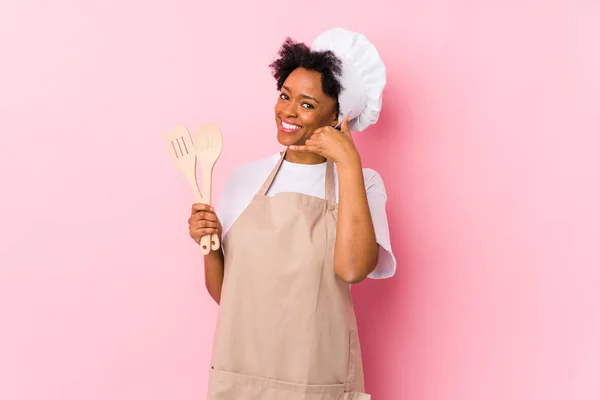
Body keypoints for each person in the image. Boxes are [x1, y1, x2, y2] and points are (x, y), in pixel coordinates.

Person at [188, 28, 396, 400]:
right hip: (243, 377)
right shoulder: (243, 178)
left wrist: (348, 160)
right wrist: (209, 246)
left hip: (315, 381)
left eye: (307, 104)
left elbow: (352, 269)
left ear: (338, 116)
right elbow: (229, 296)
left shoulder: (364, 183)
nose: (287, 111)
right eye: (285, 96)